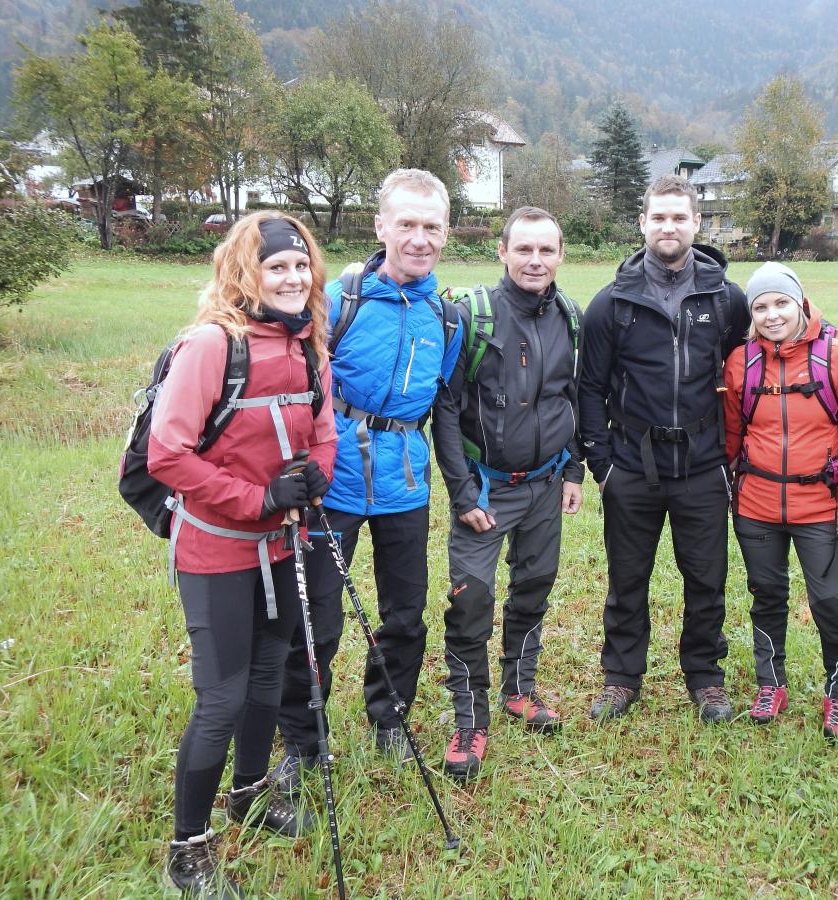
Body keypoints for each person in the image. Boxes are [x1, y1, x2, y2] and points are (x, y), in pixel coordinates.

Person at [147, 211, 336, 896]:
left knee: (269, 674)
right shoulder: (210, 346)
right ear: (245, 273)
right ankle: (188, 849)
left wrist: (314, 475)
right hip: (218, 550)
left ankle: (251, 795)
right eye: (276, 266)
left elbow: (324, 431)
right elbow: (166, 454)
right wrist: (256, 499)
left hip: (284, 545)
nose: (292, 277)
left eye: (300, 265)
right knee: (221, 698)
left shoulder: (310, 345)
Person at [272, 169, 461, 791]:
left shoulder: (447, 315)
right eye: (405, 224)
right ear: (380, 226)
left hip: (406, 483)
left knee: (405, 613)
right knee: (319, 619)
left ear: (445, 232)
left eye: (431, 226)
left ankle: (390, 718)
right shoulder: (338, 299)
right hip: (335, 481)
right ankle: (303, 741)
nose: (418, 238)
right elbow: (292, 386)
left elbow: (445, 404)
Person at [578, 174, 750, 723]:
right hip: (633, 465)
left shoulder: (727, 299)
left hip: (702, 465)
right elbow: (589, 387)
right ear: (643, 223)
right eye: (659, 217)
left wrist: (728, 455)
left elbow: (743, 370)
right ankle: (621, 678)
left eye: (679, 217)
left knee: (707, 578)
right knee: (627, 578)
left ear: (697, 224)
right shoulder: (612, 304)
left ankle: (705, 678)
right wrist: (603, 464)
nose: (668, 227)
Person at [431, 206, 584, 781]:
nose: (535, 261)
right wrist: (462, 492)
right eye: (524, 249)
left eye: (546, 251)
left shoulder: (569, 316)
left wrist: (573, 471)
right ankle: (470, 719)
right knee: (471, 600)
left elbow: (572, 398)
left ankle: (521, 688)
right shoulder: (472, 316)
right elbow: (444, 408)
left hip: (546, 482)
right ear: (502, 252)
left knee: (534, 587)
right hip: (486, 490)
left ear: (560, 254)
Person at [722, 262, 838, 739]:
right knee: (766, 597)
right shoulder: (740, 363)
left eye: (780, 303)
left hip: (822, 509)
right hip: (757, 505)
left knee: (831, 602)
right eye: (760, 306)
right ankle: (771, 684)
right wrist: (730, 494)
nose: (771, 315)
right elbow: (730, 436)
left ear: (801, 303)